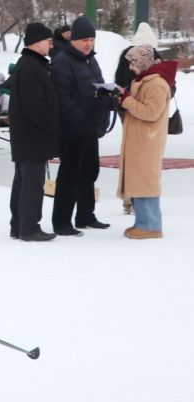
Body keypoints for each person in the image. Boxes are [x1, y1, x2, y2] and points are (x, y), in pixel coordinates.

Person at [50, 16, 112, 236]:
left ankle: (86, 215)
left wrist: (108, 98)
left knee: (89, 172)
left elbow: (98, 87)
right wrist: (78, 117)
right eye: (84, 39)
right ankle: (62, 222)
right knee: (70, 175)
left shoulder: (91, 60)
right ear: (73, 40)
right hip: (72, 130)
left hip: (90, 128)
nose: (88, 44)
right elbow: (62, 96)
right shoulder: (62, 60)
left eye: (91, 39)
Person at [117, 45, 176, 239]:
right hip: (141, 140)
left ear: (143, 62)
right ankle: (142, 222)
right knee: (139, 181)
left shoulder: (156, 84)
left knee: (145, 182)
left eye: (133, 63)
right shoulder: (146, 80)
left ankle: (150, 225)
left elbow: (151, 113)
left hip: (147, 141)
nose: (130, 68)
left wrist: (125, 100)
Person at [8, 23, 60, 242]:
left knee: (23, 181)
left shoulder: (30, 64)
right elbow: (33, 105)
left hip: (27, 136)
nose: (51, 45)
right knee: (31, 183)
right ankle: (29, 227)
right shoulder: (30, 66)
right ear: (38, 42)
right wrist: (51, 124)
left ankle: (19, 225)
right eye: (48, 41)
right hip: (32, 136)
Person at [114, 22, 162, 215]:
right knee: (146, 158)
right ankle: (139, 199)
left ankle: (133, 199)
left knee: (134, 155)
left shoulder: (127, 54)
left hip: (129, 108)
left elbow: (119, 78)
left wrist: (124, 99)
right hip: (135, 108)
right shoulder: (154, 57)